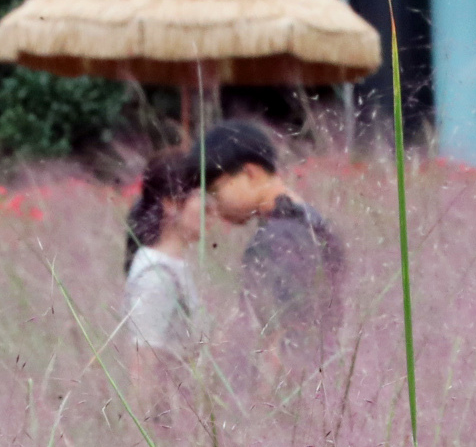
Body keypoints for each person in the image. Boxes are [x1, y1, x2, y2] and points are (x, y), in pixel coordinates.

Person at [192, 119, 344, 382]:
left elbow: (282, 336)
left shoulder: (276, 238)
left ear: (250, 172)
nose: (214, 206)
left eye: (216, 192)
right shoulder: (315, 223)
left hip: (293, 395)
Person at [122, 149, 204, 420]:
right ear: (171, 204)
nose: (210, 207)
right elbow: (142, 372)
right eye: (200, 196)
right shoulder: (156, 274)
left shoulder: (174, 265)